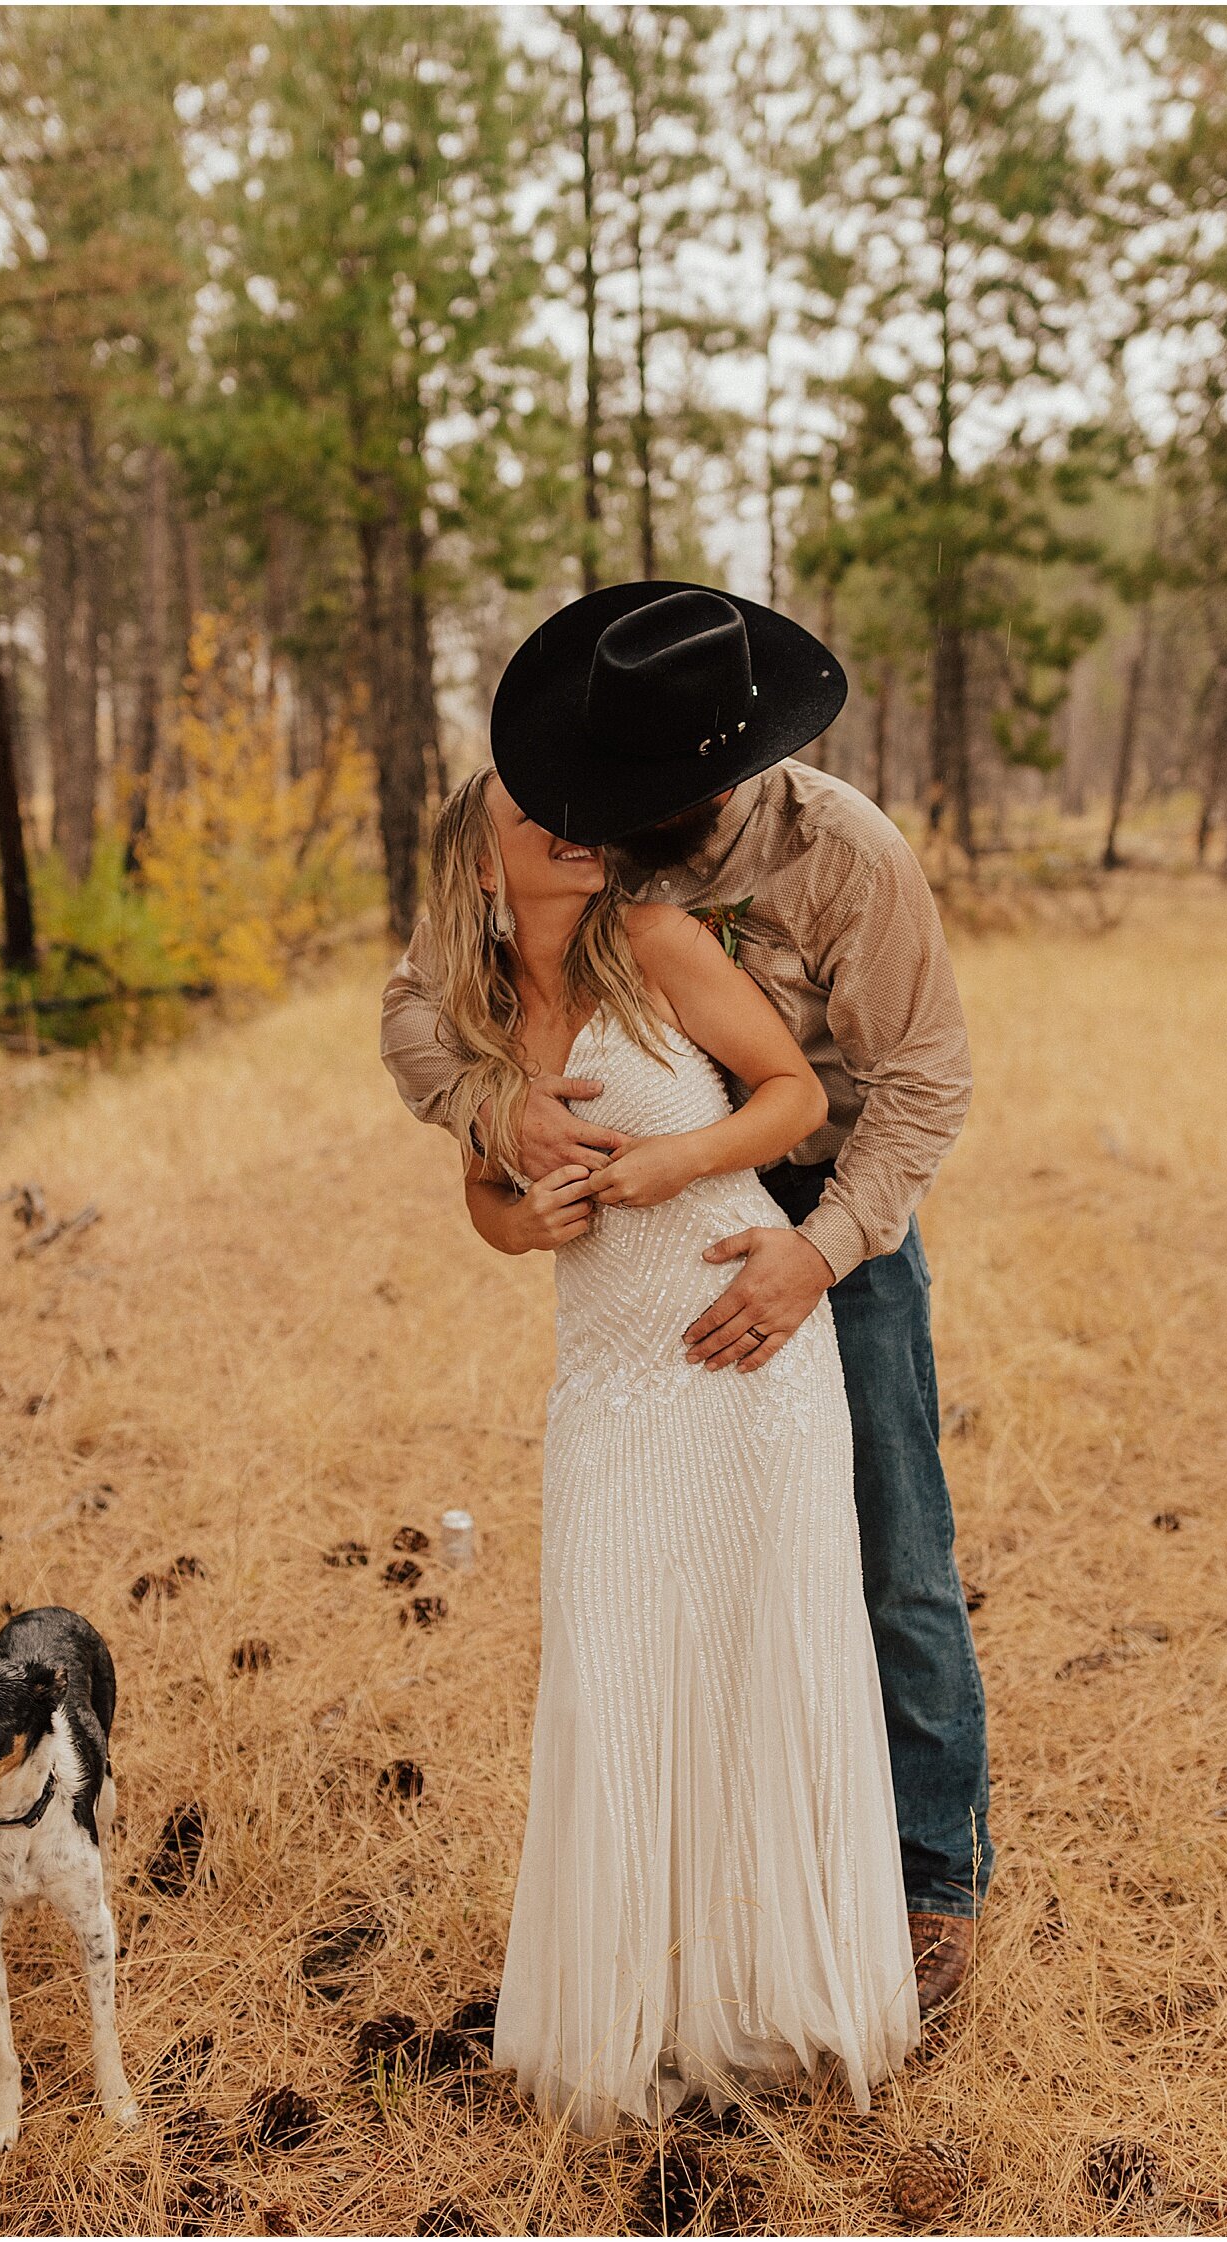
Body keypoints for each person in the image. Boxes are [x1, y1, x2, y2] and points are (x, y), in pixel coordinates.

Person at [382, 584, 992, 2024]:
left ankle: (926, 1881)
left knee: (890, 1544)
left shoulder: (841, 852)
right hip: (637, 1265)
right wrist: (498, 1109)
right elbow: (418, 998)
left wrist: (824, 1248)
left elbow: (925, 1081)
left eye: (639, 788)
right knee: (669, 1566)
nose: (598, 811)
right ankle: (703, 1885)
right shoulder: (552, 821)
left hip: (832, 1206)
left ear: (714, 769)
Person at [416, 756, 919, 2136]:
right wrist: (511, 1223)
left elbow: (791, 1100)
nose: (576, 825)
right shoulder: (471, 1013)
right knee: (613, 1654)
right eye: (538, 817)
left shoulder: (654, 941)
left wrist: (670, 1163)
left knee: (764, 1644)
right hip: (607, 1369)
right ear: (477, 866)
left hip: (745, 1344)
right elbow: (480, 1185)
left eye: (576, 807)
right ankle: (638, 1996)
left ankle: (764, 1997)